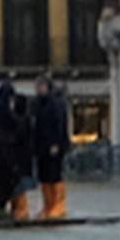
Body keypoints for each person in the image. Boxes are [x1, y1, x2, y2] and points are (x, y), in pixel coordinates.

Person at [0, 79, 33, 225]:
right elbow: (15, 125)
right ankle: (3, 205)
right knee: (6, 178)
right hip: (6, 147)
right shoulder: (5, 109)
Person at [31, 73, 70, 225]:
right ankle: (47, 206)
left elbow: (59, 125)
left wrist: (56, 144)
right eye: (37, 87)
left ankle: (58, 205)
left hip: (54, 145)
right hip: (41, 144)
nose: (38, 89)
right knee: (44, 176)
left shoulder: (56, 103)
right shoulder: (37, 103)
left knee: (55, 174)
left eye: (40, 86)